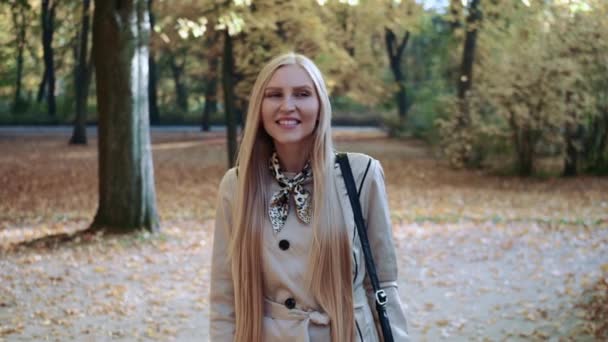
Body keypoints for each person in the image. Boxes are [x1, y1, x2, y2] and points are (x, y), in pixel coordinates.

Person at [210, 52, 409, 341]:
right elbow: (224, 297)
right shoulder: (237, 185)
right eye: (274, 95)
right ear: (259, 108)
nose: (287, 106)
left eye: (302, 94)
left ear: (320, 106)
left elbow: (384, 283)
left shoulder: (360, 174)